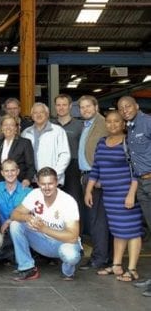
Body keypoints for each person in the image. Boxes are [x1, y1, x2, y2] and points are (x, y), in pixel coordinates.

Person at [85, 111, 143, 282]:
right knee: (118, 231)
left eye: (116, 121)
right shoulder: (102, 142)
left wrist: (131, 194)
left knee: (132, 231)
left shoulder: (129, 142)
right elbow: (96, 168)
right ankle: (116, 265)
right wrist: (88, 190)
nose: (112, 125)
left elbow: (136, 171)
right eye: (109, 122)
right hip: (109, 195)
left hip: (126, 194)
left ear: (123, 123)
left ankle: (132, 269)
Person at [10, 167, 82, 281]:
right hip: (41, 241)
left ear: (57, 182)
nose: (47, 187)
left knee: (70, 255)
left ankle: (68, 271)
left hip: (62, 243)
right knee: (15, 225)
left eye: (50, 183)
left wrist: (44, 228)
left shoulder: (68, 201)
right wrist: (27, 217)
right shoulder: (35, 194)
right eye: (43, 184)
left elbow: (73, 237)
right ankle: (27, 268)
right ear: (38, 183)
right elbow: (14, 214)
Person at [117, 96, 151, 296]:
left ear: (136, 106)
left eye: (128, 106)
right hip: (142, 183)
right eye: (121, 108)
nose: (125, 110)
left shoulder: (147, 122)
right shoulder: (129, 128)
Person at [77, 95, 110, 271]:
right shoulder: (88, 125)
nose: (85, 110)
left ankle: (100, 258)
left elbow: (108, 153)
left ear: (96, 106)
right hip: (87, 176)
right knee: (96, 219)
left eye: (88, 106)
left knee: (98, 221)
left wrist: (99, 178)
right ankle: (104, 256)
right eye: (82, 107)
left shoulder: (103, 124)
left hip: (96, 178)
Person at [0, 159, 32, 264]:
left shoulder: (27, 191)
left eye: (13, 171)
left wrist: (9, 221)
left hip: (21, 232)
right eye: (7, 171)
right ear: (2, 173)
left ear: (18, 171)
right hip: (2, 233)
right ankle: (12, 253)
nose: (10, 174)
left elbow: (31, 214)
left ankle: (13, 253)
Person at [21, 102, 70, 186]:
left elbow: (65, 155)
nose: (38, 115)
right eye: (35, 113)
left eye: (41, 112)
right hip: (31, 180)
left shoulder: (58, 131)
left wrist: (54, 175)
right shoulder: (26, 132)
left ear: (47, 114)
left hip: (51, 180)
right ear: (32, 116)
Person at [52, 94, 83, 210]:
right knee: (56, 201)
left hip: (73, 167)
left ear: (70, 106)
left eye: (64, 105)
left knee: (73, 200)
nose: (61, 108)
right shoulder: (50, 125)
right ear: (55, 106)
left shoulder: (79, 125)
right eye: (58, 105)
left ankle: (76, 228)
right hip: (55, 165)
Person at [0, 114, 35, 186]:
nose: (8, 127)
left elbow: (30, 166)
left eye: (11, 125)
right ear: (1, 128)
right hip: (0, 185)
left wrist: (27, 180)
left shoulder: (25, 143)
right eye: (5, 125)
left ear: (16, 128)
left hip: (20, 184)